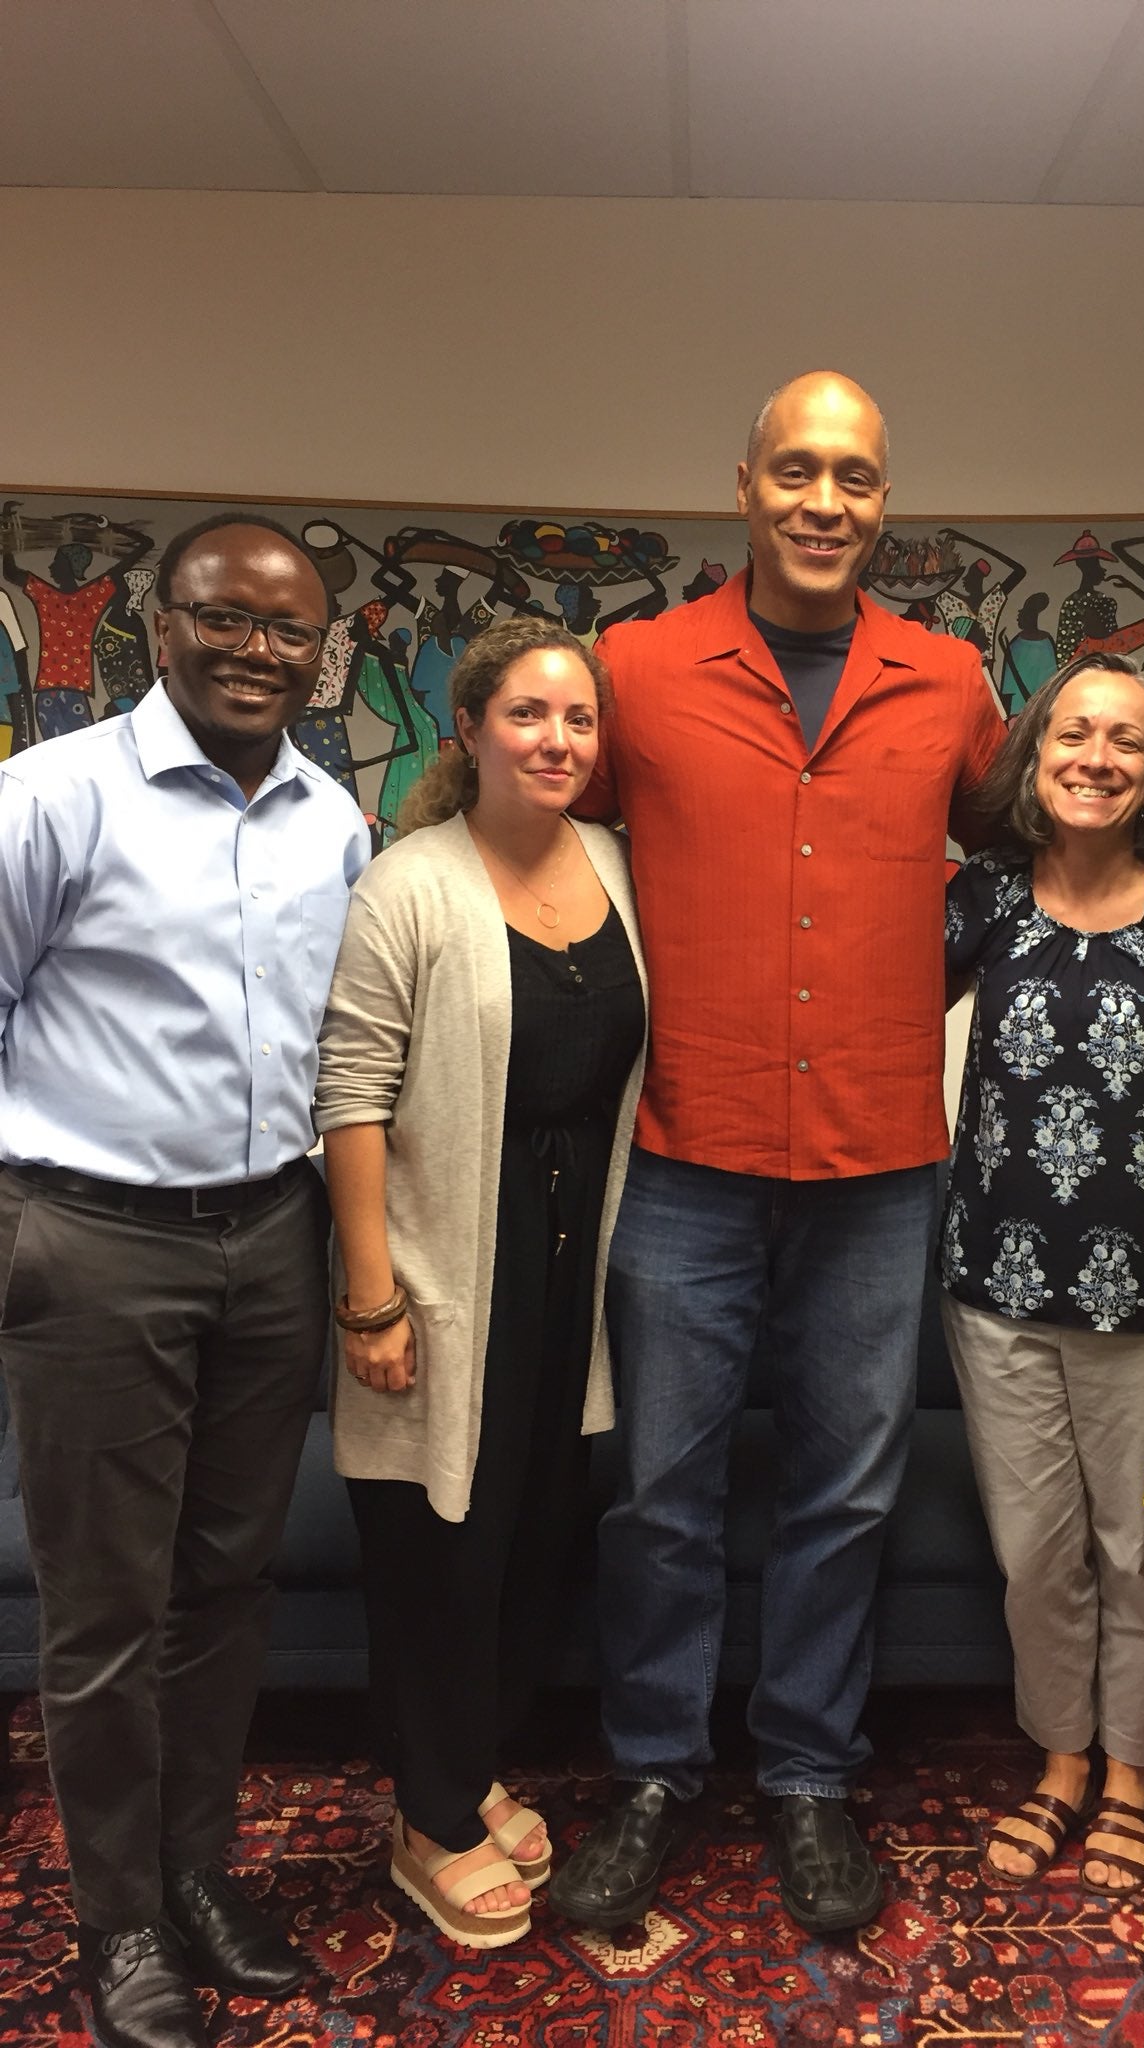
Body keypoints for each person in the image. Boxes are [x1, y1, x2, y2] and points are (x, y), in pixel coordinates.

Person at [549, 371, 1005, 1937]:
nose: (826, 502)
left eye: (858, 478)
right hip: (685, 1151)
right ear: (739, 484)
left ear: (887, 502)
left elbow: (1028, 866)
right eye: (797, 470)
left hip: (883, 1163)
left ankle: (810, 1771)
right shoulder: (636, 668)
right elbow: (537, 835)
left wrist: (905, 984)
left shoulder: (949, 682)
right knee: (660, 1498)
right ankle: (658, 1770)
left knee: (844, 1495)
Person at [0, 514, 370, 2048]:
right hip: (97, 1241)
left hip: (272, 1239)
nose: (256, 650)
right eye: (227, 619)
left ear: (319, 650)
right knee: (104, 1609)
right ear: (163, 628)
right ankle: (122, 1919)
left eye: (288, 629)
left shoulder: (329, 820)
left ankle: (202, 1870)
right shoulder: (51, 795)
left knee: (229, 1584)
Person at [315, 618, 647, 1949]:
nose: (557, 740)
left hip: (577, 1273)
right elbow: (350, 1095)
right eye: (528, 715)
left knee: (531, 1529)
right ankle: (432, 1822)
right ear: (469, 731)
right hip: (448, 1264)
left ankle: (474, 1767)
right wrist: (372, 1294)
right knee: (439, 1549)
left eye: (578, 719)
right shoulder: (411, 882)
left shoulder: (616, 863)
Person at [940, 653, 1144, 1897]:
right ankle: (1062, 1759)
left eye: (1125, 738)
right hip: (993, 1281)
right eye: (1074, 732)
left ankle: (1133, 1773)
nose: (1096, 757)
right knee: (1035, 1552)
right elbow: (866, 1017)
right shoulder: (984, 898)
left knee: (1136, 1551)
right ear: (1035, 749)